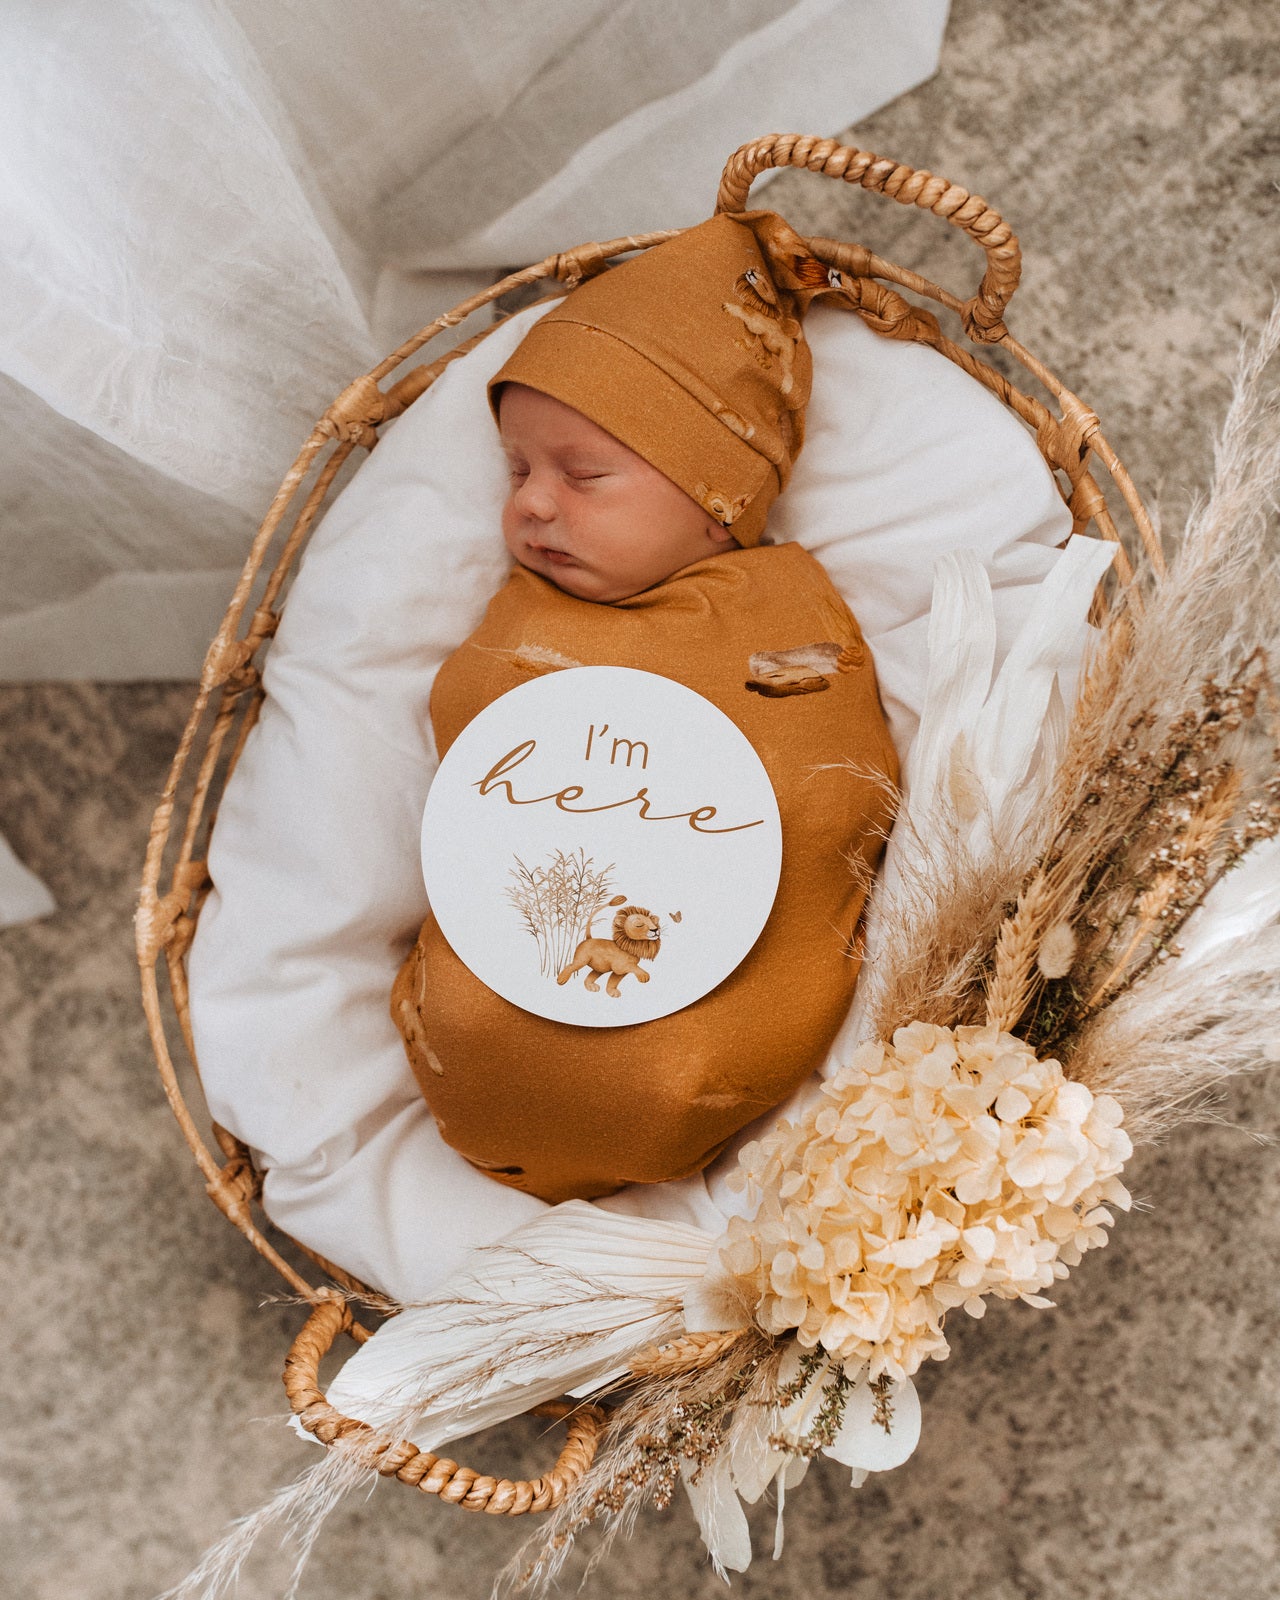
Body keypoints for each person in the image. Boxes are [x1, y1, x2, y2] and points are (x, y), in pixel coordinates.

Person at [392, 207, 900, 1204]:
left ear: (717, 499)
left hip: (707, 1048)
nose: (532, 503)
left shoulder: (780, 619)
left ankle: (662, 1096)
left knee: (686, 1046)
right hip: (473, 1035)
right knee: (482, 999)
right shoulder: (526, 615)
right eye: (517, 470)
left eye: (583, 475)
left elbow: (835, 779)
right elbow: (469, 722)